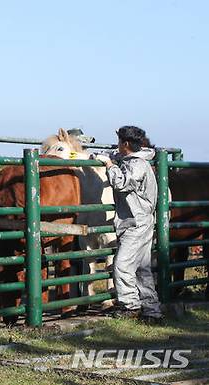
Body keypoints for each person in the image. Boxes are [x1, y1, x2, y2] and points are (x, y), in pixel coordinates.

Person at [94, 126, 163, 323]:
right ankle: (151, 310)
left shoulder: (137, 165)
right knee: (142, 268)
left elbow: (122, 183)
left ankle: (130, 306)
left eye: (118, 142)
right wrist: (112, 158)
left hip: (135, 222)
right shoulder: (137, 161)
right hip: (140, 220)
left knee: (122, 266)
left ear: (125, 144)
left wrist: (108, 164)